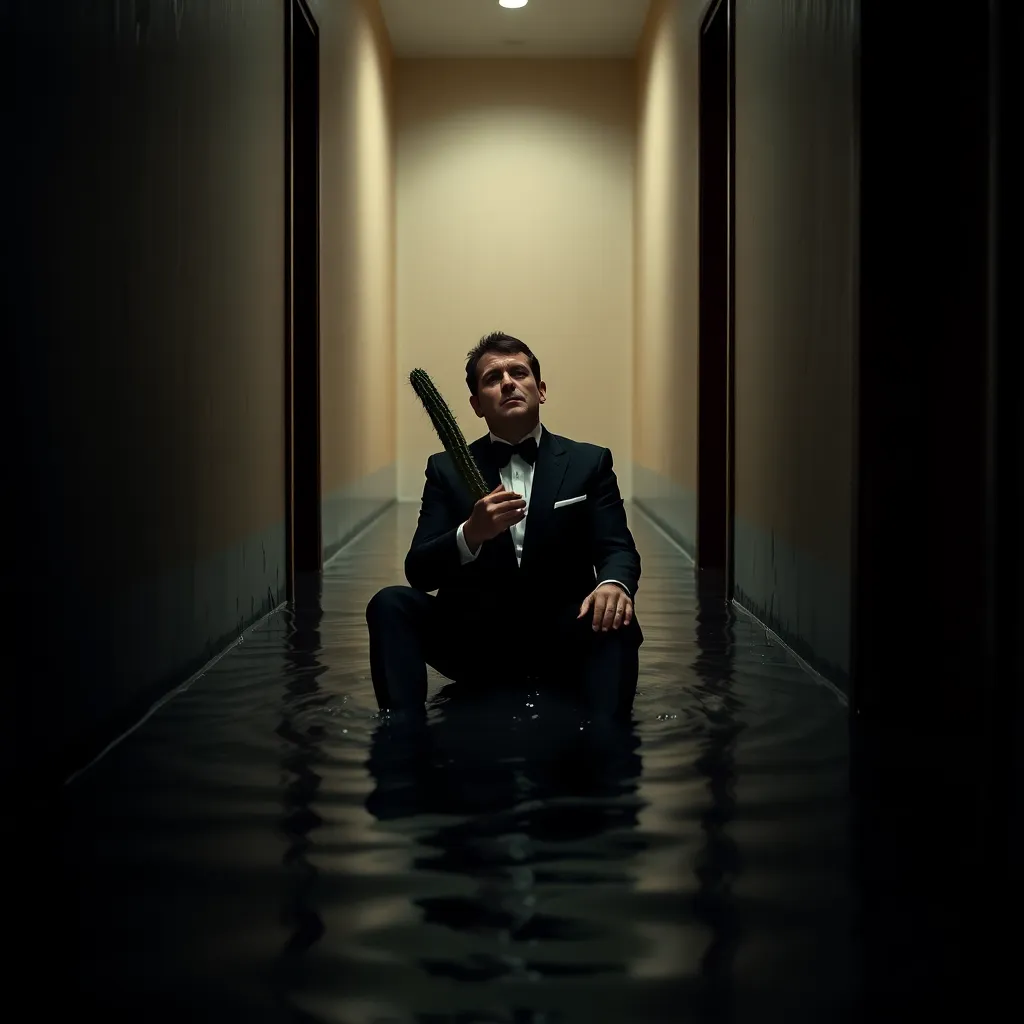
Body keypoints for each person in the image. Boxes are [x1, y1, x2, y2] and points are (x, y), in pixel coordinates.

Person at [366, 331, 643, 721]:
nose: (508, 382)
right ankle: (402, 738)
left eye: (519, 372)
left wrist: (612, 584)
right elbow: (419, 571)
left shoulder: (589, 463)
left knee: (616, 613)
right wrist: (470, 534)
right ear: (477, 404)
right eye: (493, 378)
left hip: (561, 638)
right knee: (389, 605)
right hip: (473, 643)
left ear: (541, 389)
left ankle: (609, 742)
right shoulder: (445, 470)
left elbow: (617, 548)